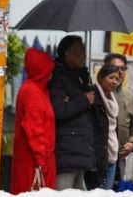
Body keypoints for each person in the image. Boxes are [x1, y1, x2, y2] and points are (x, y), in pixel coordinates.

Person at [48, 35, 96, 190]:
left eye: (84, 50)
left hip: (81, 150)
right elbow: (59, 110)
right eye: (79, 50)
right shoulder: (58, 77)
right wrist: (83, 100)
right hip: (67, 151)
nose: (84, 54)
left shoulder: (81, 76)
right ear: (67, 54)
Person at [10, 48, 56, 195]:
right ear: (42, 70)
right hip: (34, 161)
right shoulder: (32, 92)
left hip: (39, 158)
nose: (52, 73)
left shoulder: (38, 89)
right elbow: (34, 129)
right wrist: (40, 161)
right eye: (49, 69)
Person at [103, 53, 133, 181]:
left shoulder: (129, 98)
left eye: (123, 68)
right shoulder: (95, 92)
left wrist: (132, 143)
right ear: (105, 69)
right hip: (98, 159)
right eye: (115, 68)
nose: (120, 73)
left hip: (119, 161)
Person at [85, 64, 120, 190]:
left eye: (117, 79)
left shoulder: (114, 101)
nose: (114, 82)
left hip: (112, 157)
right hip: (97, 159)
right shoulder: (93, 97)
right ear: (101, 78)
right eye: (111, 77)